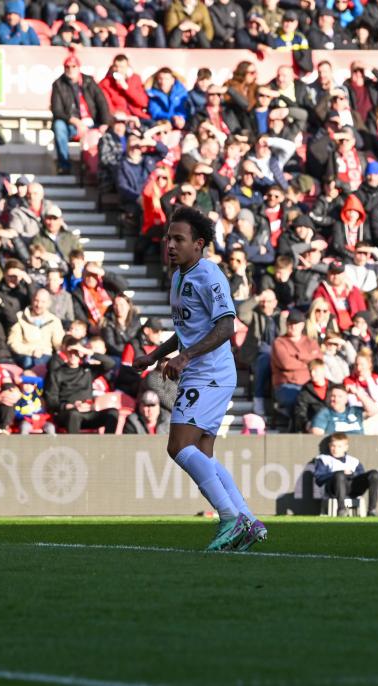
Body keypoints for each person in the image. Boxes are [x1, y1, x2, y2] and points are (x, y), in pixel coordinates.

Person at [133, 206, 265, 551]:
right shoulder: (179, 276)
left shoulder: (209, 276)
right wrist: (155, 355)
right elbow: (188, 330)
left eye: (179, 239)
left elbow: (226, 326)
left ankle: (229, 518)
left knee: (178, 446)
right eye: (168, 239)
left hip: (210, 374)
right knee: (202, 453)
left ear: (199, 244)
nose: (170, 245)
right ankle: (247, 519)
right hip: (200, 373)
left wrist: (186, 357)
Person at [313, 432, 378, 516]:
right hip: (333, 489)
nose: (335, 449)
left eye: (339, 446)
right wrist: (337, 473)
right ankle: (341, 509)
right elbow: (319, 479)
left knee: (374, 474)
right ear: (329, 445)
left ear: (346, 447)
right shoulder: (323, 459)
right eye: (333, 446)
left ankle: (372, 510)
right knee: (340, 475)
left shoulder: (354, 461)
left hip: (352, 488)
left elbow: (361, 476)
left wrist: (352, 474)